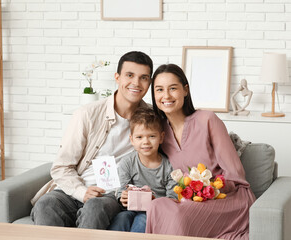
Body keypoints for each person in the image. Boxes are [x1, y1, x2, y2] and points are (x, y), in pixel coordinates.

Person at [30, 51, 153, 229]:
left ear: (149, 83)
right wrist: (81, 192)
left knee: (95, 206)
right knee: (46, 205)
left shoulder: (153, 119)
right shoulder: (87, 114)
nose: (136, 83)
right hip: (74, 189)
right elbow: (61, 167)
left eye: (143, 78)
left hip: (110, 195)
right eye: (129, 75)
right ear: (117, 77)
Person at [146, 64, 256, 239]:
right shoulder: (160, 133)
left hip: (229, 199)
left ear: (185, 90)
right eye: (159, 89)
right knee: (156, 206)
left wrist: (206, 190)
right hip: (191, 201)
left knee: (181, 214)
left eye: (173, 88)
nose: (166, 95)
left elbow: (236, 175)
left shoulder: (207, 120)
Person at [108, 107, 177, 233]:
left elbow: (172, 197)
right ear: (132, 140)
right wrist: (122, 196)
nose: (146, 142)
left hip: (154, 211)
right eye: (139, 137)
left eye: (151, 136)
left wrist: (155, 200)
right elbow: (122, 189)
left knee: (142, 220)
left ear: (161, 137)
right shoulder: (127, 162)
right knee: (121, 218)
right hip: (129, 209)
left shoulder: (169, 166)